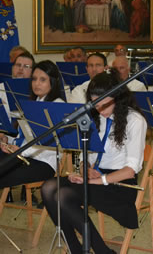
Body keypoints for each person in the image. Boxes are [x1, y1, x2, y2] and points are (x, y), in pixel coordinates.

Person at [41, 69, 147, 254]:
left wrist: (96, 180)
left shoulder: (134, 120)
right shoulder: (95, 117)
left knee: (62, 196)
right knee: (48, 187)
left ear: (117, 97)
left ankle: (99, 250)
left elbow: (130, 170)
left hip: (119, 184)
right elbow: (86, 155)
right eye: (95, 104)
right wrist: (85, 169)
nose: (99, 109)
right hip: (95, 179)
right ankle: (77, 248)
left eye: (104, 104)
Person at [0, 60, 64, 187]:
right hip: (22, 157)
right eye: (34, 79)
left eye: (42, 80)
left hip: (43, 163)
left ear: (53, 81)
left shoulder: (58, 105)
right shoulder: (33, 103)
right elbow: (24, 137)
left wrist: (21, 151)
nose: (37, 84)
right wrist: (7, 140)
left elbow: (49, 143)